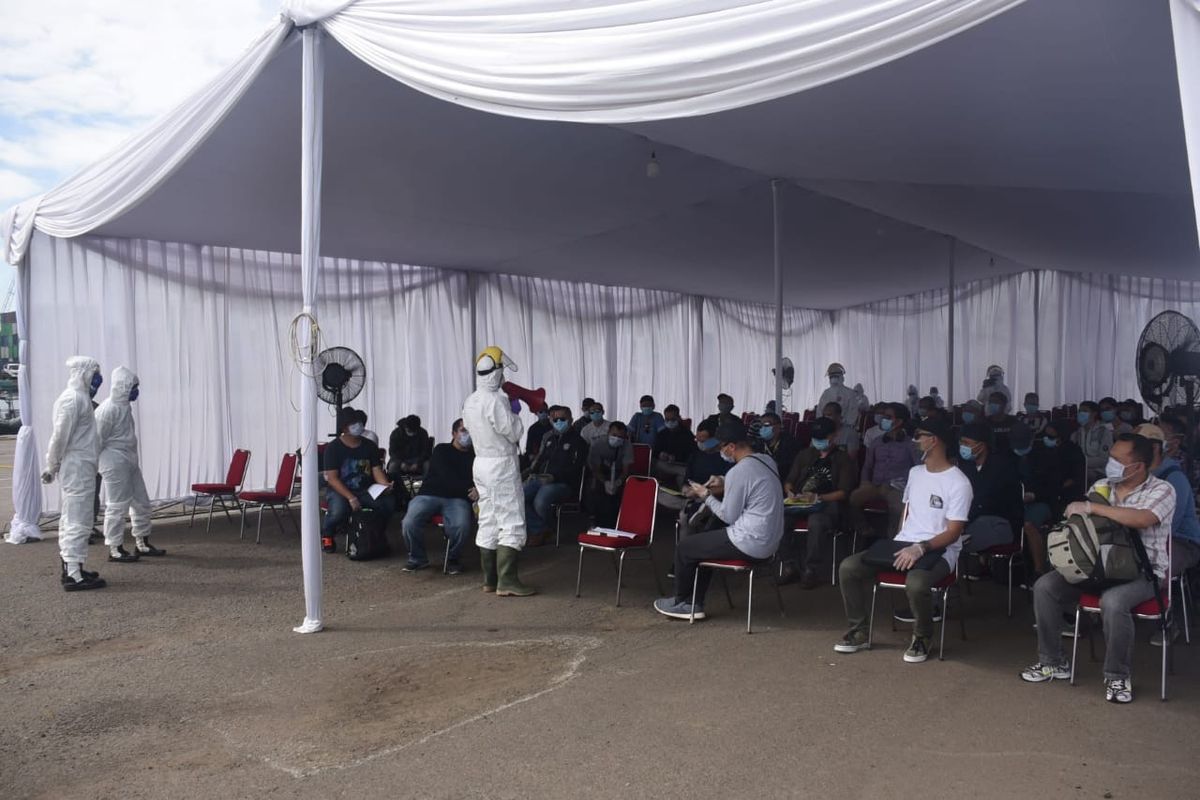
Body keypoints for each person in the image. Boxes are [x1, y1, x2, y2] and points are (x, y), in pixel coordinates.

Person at [1021, 434, 1173, 704]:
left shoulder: (1161, 490)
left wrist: (1094, 508)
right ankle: (1052, 661)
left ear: (1138, 466)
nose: (1109, 462)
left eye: (1116, 459)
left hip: (1143, 572)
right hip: (1095, 565)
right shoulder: (1102, 485)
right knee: (1045, 586)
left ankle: (1117, 675)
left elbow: (1142, 518)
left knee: (1113, 602)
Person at [834, 416, 971, 663]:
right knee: (848, 568)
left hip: (940, 550)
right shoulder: (916, 472)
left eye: (919, 435)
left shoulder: (958, 482)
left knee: (917, 583)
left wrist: (921, 547)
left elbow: (954, 532)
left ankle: (922, 637)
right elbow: (906, 514)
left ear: (934, 440)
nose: (915, 440)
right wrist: (899, 541)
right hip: (903, 544)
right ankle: (859, 631)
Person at [653, 421, 784, 620]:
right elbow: (752, 481)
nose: (720, 451)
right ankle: (693, 601)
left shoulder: (738, 472)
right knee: (703, 543)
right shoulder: (767, 460)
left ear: (731, 446)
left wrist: (706, 495)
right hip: (771, 542)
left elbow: (728, 515)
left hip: (750, 542)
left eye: (721, 447)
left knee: (686, 547)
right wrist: (724, 480)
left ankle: (684, 602)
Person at [462, 346, 535, 596]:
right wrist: (515, 413)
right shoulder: (496, 401)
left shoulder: (471, 400)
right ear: (495, 373)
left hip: (480, 463)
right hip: (501, 464)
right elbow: (513, 433)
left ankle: (489, 580)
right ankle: (508, 581)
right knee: (511, 519)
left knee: (488, 518)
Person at [43, 356, 107, 591]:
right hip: (77, 467)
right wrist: (51, 464)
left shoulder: (79, 398)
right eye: (94, 373)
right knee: (77, 521)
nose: (97, 379)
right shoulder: (72, 399)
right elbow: (59, 436)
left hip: (83, 466)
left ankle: (74, 566)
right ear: (83, 373)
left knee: (75, 519)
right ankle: (73, 574)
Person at [1138, 419, 1200, 644]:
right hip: (1145, 534)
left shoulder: (1174, 476)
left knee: (1159, 562)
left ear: (1154, 448)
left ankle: (1167, 621)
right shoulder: (1137, 474)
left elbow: (1170, 524)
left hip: (1181, 541)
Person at [95, 366, 164, 564]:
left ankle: (142, 542)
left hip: (128, 460)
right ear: (123, 387)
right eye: (133, 387)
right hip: (114, 463)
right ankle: (115, 548)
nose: (136, 391)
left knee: (141, 502)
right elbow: (96, 441)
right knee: (117, 506)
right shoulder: (107, 410)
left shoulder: (124, 407)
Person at [780, 417, 856, 589]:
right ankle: (789, 564)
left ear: (833, 436)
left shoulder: (843, 459)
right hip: (801, 501)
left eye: (822, 437)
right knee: (780, 519)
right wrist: (790, 491)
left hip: (827, 503)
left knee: (816, 522)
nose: (818, 441)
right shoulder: (805, 454)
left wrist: (818, 498)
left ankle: (811, 569)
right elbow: (790, 480)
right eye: (815, 437)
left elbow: (843, 492)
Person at [401, 418, 476, 574]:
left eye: (470, 431)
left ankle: (452, 559)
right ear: (453, 433)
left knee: (462, 525)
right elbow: (446, 476)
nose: (467, 435)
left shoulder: (477, 456)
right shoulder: (442, 449)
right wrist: (470, 488)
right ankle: (417, 558)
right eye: (463, 430)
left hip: (458, 500)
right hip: (430, 494)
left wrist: (478, 489)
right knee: (409, 521)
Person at [322, 407, 397, 553]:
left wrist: (384, 485)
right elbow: (332, 479)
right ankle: (327, 534)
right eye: (353, 423)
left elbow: (376, 469)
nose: (359, 426)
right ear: (344, 427)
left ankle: (377, 534)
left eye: (359, 422)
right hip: (340, 490)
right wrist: (350, 498)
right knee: (338, 511)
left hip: (365, 489)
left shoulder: (369, 446)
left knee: (388, 504)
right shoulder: (333, 448)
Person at [1018, 420, 1086, 576]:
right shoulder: (1038, 451)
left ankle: (1038, 569)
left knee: (1029, 524)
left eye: (1051, 435)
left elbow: (1068, 483)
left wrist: (1036, 494)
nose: (1047, 438)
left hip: (1055, 500)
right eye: (1045, 435)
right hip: (1030, 497)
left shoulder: (1071, 452)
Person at [956, 422, 1022, 574]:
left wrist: (961, 523)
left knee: (952, 540)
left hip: (1001, 523)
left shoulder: (1002, 467)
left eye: (966, 443)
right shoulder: (966, 466)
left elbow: (984, 501)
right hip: (974, 521)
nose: (962, 446)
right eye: (961, 442)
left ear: (982, 445)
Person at [849, 402, 916, 541]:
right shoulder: (877, 442)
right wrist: (865, 483)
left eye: (888, 417)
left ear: (899, 421)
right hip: (875, 486)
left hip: (897, 489)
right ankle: (866, 531)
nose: (883, 419)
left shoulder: (910, 444)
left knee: (899, 511)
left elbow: (918, 468)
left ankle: (892, 543)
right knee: (853, 499)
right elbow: (867, 466)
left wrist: (908, 487)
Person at [523, 405, 587, 546]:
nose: (558, 422)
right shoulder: (550, 439)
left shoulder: (579, 442)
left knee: (540, 500)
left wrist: (554, 477)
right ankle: (541, 529)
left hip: (564, 483)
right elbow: (540, 460)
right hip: (542, 479)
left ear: (571, 419)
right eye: (555, 419)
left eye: (562, 419)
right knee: (518, 497)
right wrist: (532, 473)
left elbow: (577, 469)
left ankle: (538, 533)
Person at [671, 420, 733, 539]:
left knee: (687, 515)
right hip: (692, 494)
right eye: (697, 440)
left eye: (703, 441)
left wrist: (703, 493)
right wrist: (685, 488)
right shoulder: (696, 454)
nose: (699, 443)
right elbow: (687, 478)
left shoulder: (726, 457)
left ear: (715, 439)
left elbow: (730, 485)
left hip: (716, 497)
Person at [587, 420, 634, 528]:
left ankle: (618, 521)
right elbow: (595, 468)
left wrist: (619, 482)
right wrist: (605, 482)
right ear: (608, 433)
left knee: (623, 491)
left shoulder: (627, 446)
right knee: (594, 488)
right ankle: (594, 520)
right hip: (601, 473)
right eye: (614, 435)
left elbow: (626, 469)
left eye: (621, 437)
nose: (617, 438)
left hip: (619, 473)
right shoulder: (598, 444)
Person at [1072, 401, 1113, 484]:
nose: (1081, 413)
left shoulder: (1104, 432)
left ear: (1094, 414)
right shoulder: (1076, 433)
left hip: (1099, 471)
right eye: (1080, 411)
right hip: (1079, 468)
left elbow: (1104, 459)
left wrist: (1082, 462)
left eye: (1084, 411)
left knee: (1080, 474)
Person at [653, 404, 695, 483]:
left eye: (672, 419)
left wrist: (676, 457)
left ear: (678, 418)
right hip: (663, 464)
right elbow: (655, 451)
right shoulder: (662, 433)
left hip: (680, 464)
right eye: (667, 419)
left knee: (683, 474)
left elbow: (691, 453)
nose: (669, 422)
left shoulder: (687, 434)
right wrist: (660, 454)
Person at [756, 411, 803, 479]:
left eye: (766, 425)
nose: (763, 428)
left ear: (779, 426)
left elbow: (789, 468)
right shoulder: (759, 443)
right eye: (761, 425)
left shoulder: (790, 444)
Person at [388, 414, 432, 480]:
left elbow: (425, 451)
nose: (412, 434)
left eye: (414, 432)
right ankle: (392, 486)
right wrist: (401, 463)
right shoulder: (396, 433)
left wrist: (418, 463)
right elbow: (392, 452)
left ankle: (426, 486)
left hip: (418, 459)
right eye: (409, 431)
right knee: (393, 466)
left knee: (428, 465)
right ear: (405, 427)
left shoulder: (423, 433)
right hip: (400, 459)